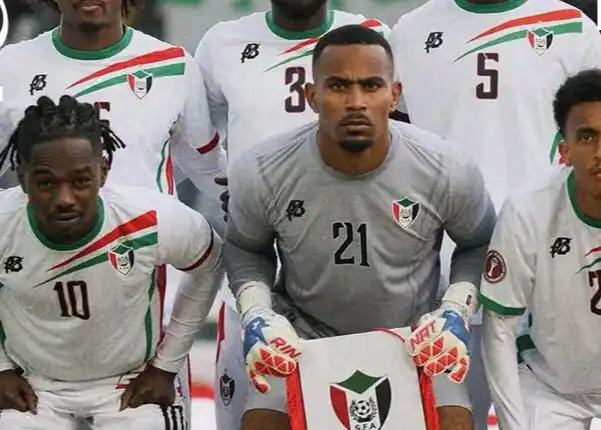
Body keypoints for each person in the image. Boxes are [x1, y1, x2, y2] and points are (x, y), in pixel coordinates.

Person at [224, 25, 497, 430]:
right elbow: (245, 247)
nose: (356, 102)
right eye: (338, 86)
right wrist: (258, 313)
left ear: (394, 94)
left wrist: (455, 309)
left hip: (413, 340)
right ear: (311, 96)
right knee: (262, 423)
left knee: (454, 423)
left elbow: (479, 243)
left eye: (371, 86)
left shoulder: (445, 167)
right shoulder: (263, 169)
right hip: (301, 339)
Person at [0, 0, 228, 423]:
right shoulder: (9, 66)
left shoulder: (172, 65)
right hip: (36, 310)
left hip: (143, 313)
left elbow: (211, 170)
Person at [387, 1, 601, 428]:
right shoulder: (408, 32)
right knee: (448, 420)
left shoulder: (572, 27)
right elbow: (396, 148)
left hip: (547, 274)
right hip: (443, 276)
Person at [193, 1, 388, 428]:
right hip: (254, 260)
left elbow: (400, 136)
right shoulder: (221, 43)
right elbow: (196, 142)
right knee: (246, 414)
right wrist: (230, 190)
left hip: (350, 264)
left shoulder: (371, 34)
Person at [480, 69, 601, 430]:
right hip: (551, 388)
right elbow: (499, 328)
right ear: (564, 150)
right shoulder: (527, 211)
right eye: (587, 136)